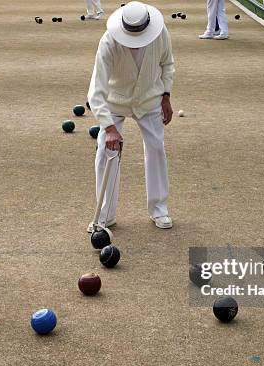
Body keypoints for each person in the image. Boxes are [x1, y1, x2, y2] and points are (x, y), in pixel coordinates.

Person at [87, 1, 175, 231]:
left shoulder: (160, 33)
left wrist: (166, 95)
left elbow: (167, 64)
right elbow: (96, 90)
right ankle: (105, 214)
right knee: (105, 151)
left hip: (149, 99)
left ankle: (159, 209)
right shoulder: (108, 41)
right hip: (116, 101)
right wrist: (108, 128)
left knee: (156, 148)